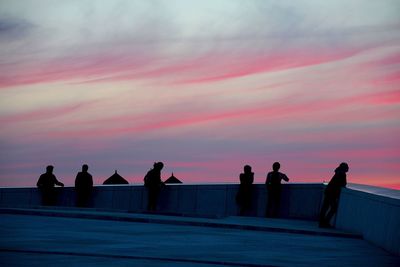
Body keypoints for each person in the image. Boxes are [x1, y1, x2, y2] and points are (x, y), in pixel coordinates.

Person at [319, 162, 349, 228]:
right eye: (347, 167)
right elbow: (343, 184)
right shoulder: (342, 174)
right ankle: (325, 222)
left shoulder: (338, 172)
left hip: (328, 192)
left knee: (325, 207)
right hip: (332, 193)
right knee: (333, 208)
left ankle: (322, 222)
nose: (348, 169)